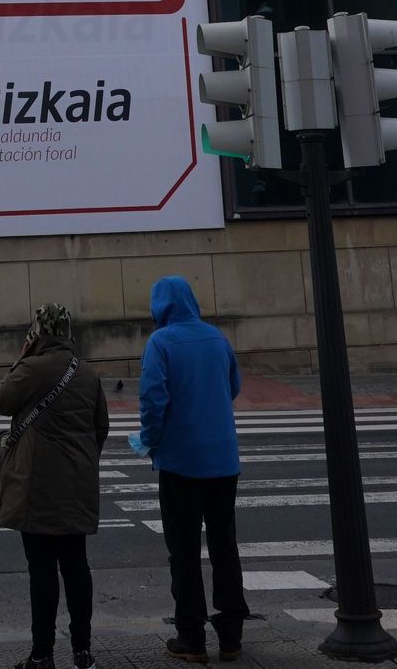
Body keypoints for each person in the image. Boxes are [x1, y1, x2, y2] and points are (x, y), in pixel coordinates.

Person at [0, 303, 109, 669]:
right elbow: (100, 427)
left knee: (41, 571)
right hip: (77, 485)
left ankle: (42, 654)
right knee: (76, 566)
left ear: (38, 331)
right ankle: (82, 650)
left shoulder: (31, 368)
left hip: (36, 489)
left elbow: (0, 400)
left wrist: (22, 355)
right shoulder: (87, 373)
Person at [137, 276, 248, 663]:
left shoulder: (161, 342)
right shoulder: (217, 338)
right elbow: (233, 386)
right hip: (223, 460)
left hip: (181, 462)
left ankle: (192, 637)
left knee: (183, 550)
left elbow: (153, 399)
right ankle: (231, 635)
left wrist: (150, 439)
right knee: (224, 546)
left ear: (160, 306)